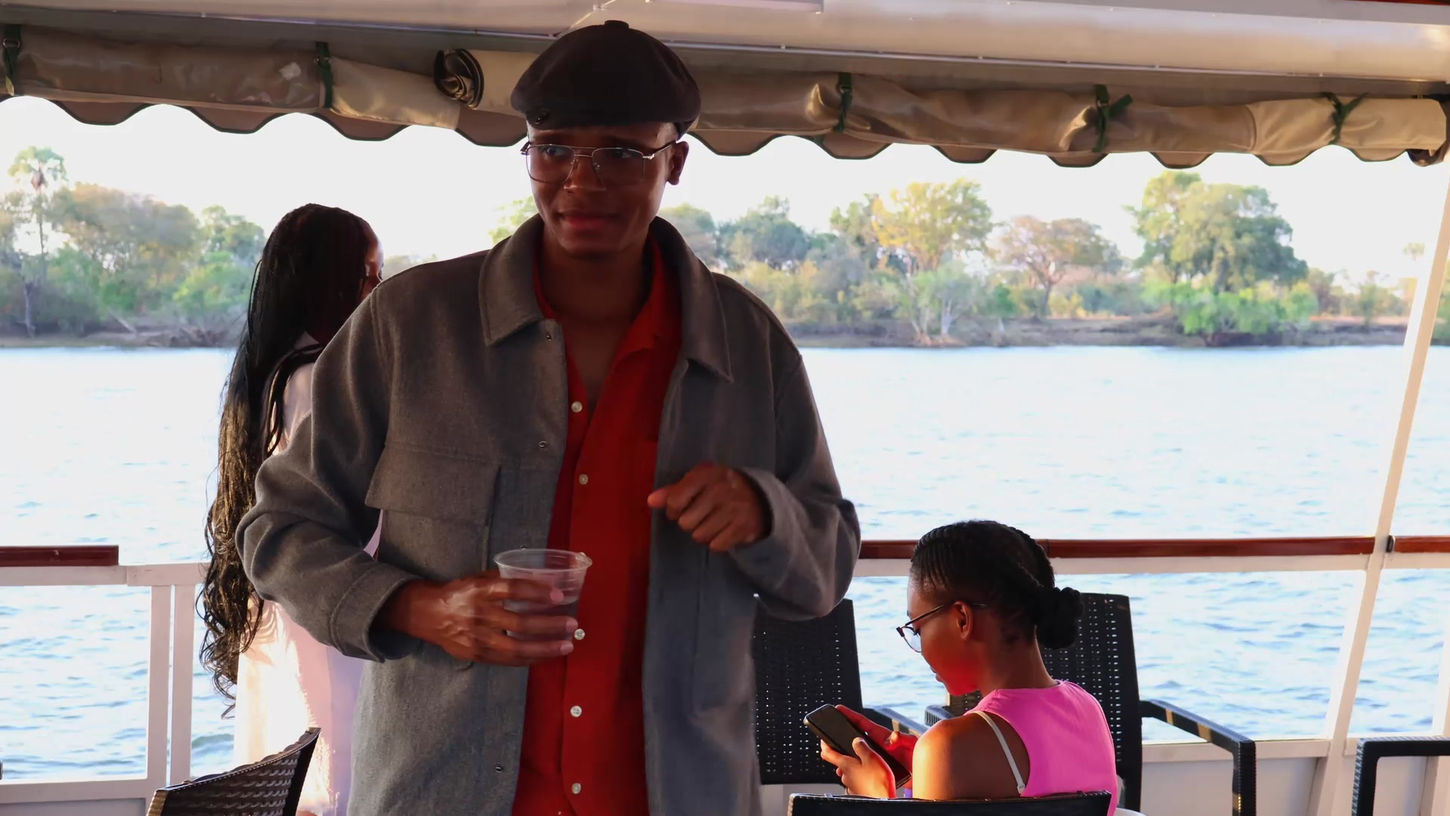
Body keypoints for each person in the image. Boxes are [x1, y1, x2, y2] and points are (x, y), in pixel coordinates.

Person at [237, 20, 860, 816]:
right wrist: (423, 609)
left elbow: (826, 570)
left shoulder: (750, 347)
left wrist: (764, 514)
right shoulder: (411, 326)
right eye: (555, 148)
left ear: (674, 161)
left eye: (621, 153)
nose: (581, 179)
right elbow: (279, 531)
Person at [200, 204, 383, 816]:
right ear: (332, 283)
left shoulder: (268, 374)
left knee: (291, 771)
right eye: (369, 276)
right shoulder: (316, 379)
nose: (378, 293)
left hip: (284, 603)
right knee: (334, 775)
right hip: (323, 603)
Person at [823, 521, 1119, 812]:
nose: (919, 644)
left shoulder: (951, 746)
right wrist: (925, 764)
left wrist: (875, 799)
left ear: (962, 619)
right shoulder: (1087, 707)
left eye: (917, 628)